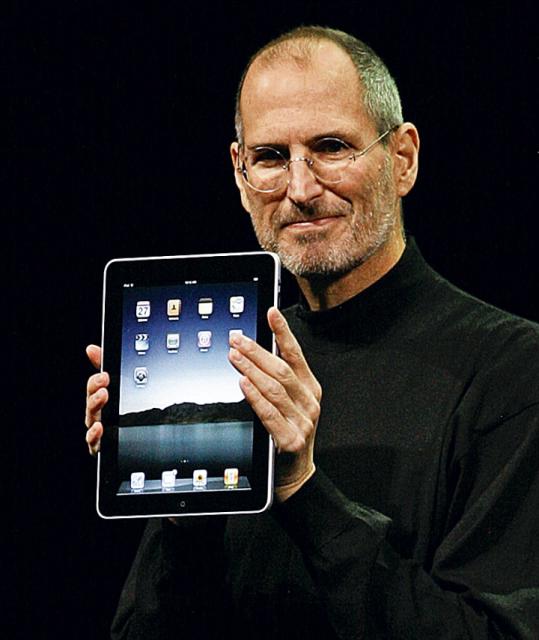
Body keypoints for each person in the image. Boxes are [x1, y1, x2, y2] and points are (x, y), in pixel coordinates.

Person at [85, 26, 539, 639]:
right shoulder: (244, 363)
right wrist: (182, 514)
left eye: (331, 148)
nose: (299, 190)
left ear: (402, 159)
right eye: (271, 157)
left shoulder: (512, 371)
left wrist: (302, 488)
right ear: (240, 173)